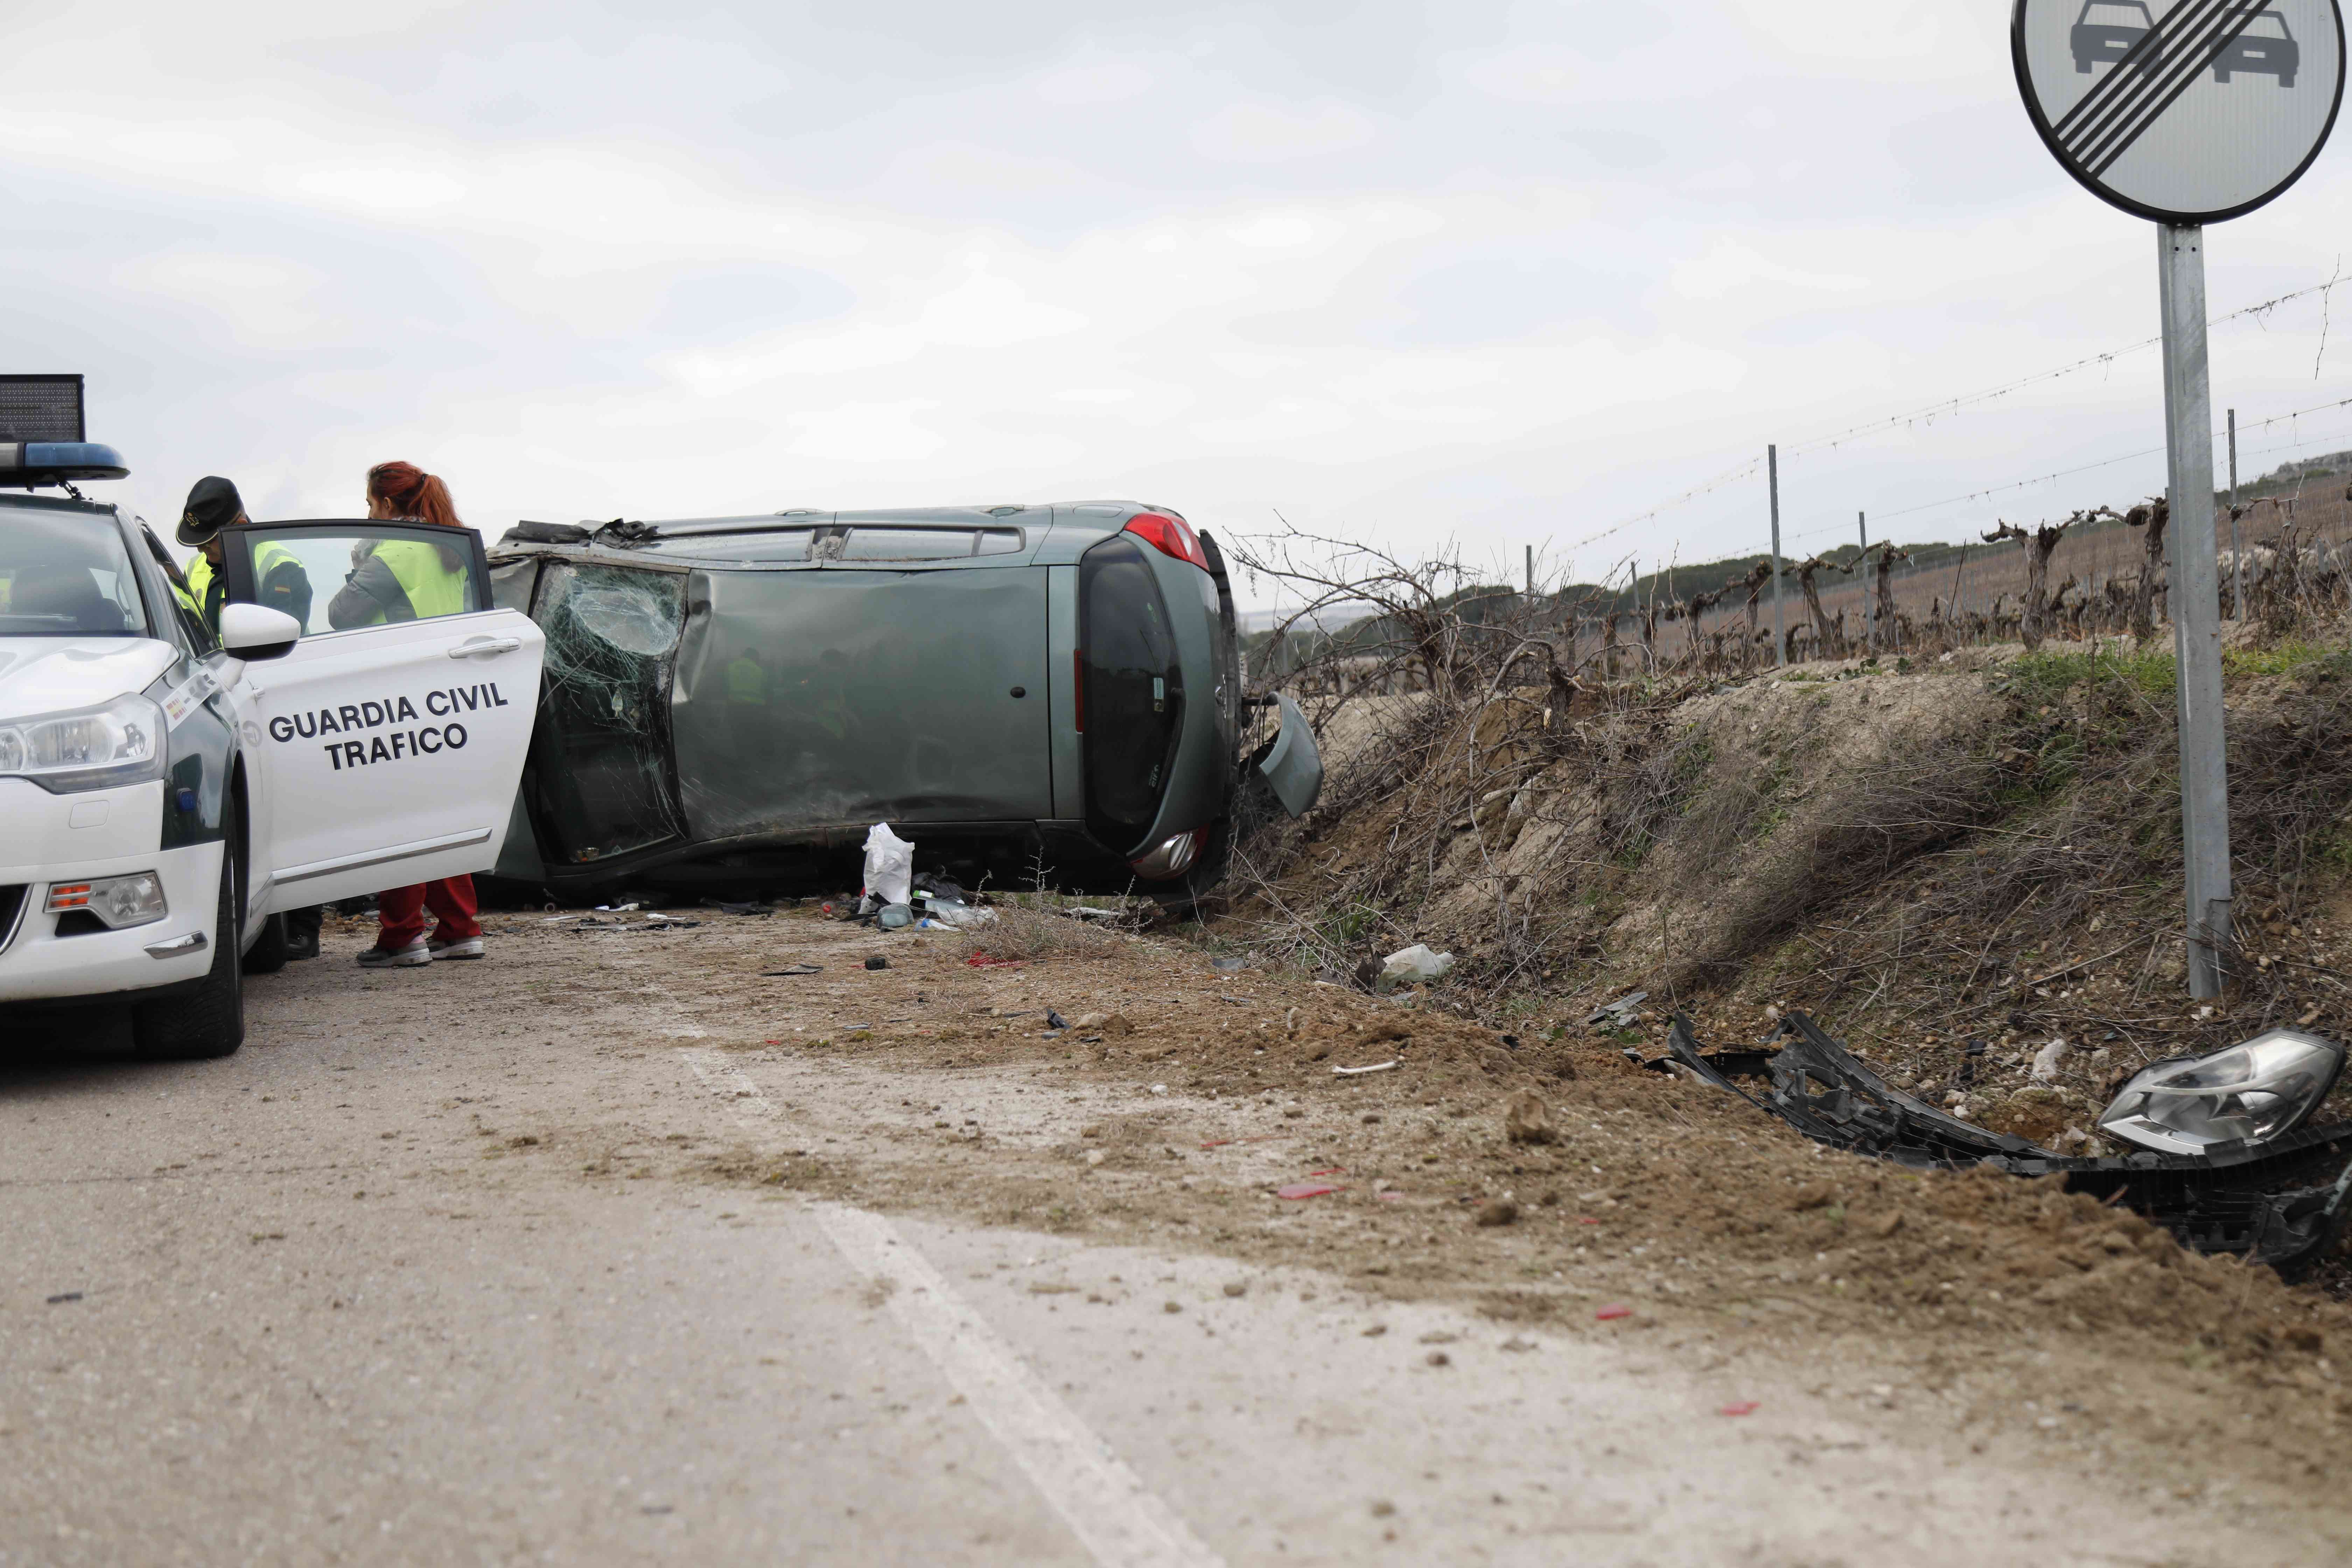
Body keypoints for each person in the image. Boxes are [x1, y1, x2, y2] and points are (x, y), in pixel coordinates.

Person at [176, 476, 323, 961]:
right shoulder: (197, 568)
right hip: (218, 699)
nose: (203, 553)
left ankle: (302, 923)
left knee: (291, 809)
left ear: (237, 524)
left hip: (269, 696)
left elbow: (283, 641)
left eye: (209, 542)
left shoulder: (280, 565)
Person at [350, 461, 487, 969]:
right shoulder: (448, 548)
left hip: (398, 699)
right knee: (439, 814)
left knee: (399, 818)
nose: (366, 514)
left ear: (387, 505)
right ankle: (459, 929)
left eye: (369, 504)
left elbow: (343, 614)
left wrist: (357, 562)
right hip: (449, 695)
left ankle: (403, 935)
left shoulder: (393, 553)